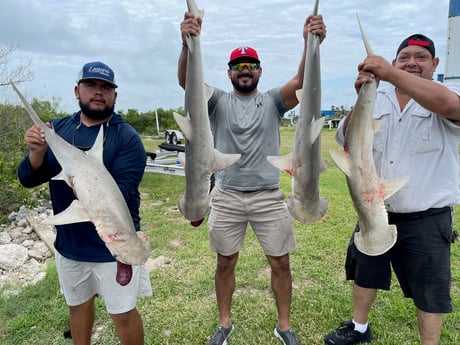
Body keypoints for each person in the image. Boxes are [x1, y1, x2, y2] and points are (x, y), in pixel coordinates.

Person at [178, 11, 327, 345]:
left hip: (268, 196)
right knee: (225, 262)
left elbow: (302, 82)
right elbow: (187, 81)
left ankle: (284, 326)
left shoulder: (273, 100)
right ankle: (224, 324)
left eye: (250, 65)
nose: (244, 71)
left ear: (260, 71)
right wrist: (187, 43)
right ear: (229, 72)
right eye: (238, 66)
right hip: (227, 195)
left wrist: (310, 44)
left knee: (281, 263)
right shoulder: (216, 101)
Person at [324, 34, 460, 345]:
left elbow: (450, 107)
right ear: (396, 61)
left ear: (434, 64)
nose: (412, 62)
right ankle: (359, 327)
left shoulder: (447, 94)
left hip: (426, 217)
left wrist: (389, 72)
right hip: (374, 208)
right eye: (404, 57)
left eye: (420, 57)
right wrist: (361, 95)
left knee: (430, 291)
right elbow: (345, 138)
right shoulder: (379, 98)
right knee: (365, 272)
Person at [18, 61, 152, 345]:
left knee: (123, 314)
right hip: (70, 245)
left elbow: (123, 192)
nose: (98, 92)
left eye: (106, 87)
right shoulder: (56, 130)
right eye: (91, 85)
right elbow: (28, 178)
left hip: (116, 248)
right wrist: (37, 152)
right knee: (77, 307)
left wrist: (79, 178)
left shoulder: (127, 137)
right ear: (77, 90)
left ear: (115, 95)